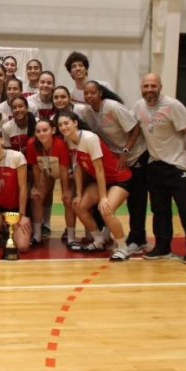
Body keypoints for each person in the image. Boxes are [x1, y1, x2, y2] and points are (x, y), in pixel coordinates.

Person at [134, 73, 186, 263]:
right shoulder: (139, 106)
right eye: (146, 86)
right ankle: (162, 247)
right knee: (159, 211)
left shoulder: (173, 106)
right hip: (155, 166)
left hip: (177, 166)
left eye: (153, 86)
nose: (149, 90)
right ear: (141, 88)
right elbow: (136, 130)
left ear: (160, 87)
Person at [83, 80, 149, 256]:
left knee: (136, 199)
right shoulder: (89, 113)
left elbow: (136, 129)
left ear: (100, 94)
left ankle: (137, 239)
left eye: (92, 93)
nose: (89, 96)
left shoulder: (113, 108)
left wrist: (126, 151)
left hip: (135, 154)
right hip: (116, 160)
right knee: (111, 199)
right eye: (86, 93)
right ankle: (107, 233)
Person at [56, 111, 132, 261]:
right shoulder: (69, 139)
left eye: (66, 123)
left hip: (119, 179)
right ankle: (99, 240)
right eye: (60, 125)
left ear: (75, 123)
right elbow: (77, 167)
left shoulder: (90, 138)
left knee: (106, 210)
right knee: (78, 205)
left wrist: (103, 197)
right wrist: (78, 193)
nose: (63, 127)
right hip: (101, 181)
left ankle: (123, 248)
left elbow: (99, 169)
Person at [0, 128, 32, 254]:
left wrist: (22, 215)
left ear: (2, 140)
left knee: (23, 247)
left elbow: (23, 187)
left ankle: (11, 230)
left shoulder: (17, 156)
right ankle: (2, 229)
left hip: (16, 207)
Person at [26, 118, 74, 247]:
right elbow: (35, 167)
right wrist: (36, 187)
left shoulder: (60, 144)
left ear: (53, 130)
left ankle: (71, 237)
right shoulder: (31, 144)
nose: (41, 133)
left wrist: (66, 191)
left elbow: (64, 170)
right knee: (36, 197)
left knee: (67, 199)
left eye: (45, 130)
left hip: (68, 174)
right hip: (46, 172)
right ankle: (37, 235)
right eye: (38, 131)